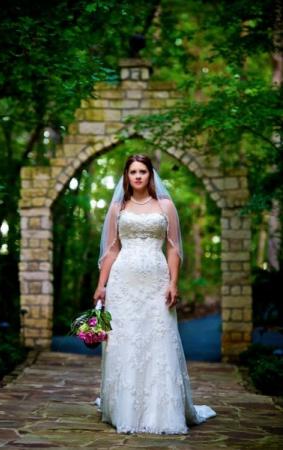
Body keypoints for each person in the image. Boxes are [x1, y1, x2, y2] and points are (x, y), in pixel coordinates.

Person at [93, 154, 216, 434]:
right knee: (123, 342)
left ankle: (162, 410)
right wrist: (102, 285)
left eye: (143, 171)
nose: (138, 176)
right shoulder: (117, 208)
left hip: (156, 280)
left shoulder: (166, 206)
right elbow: (112, 250)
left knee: (159, 339)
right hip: (123, 281)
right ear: (126, 175)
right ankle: (125, 408)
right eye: (133, 172)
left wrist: (173, 282)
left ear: (151, 175)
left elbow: (173, 248)